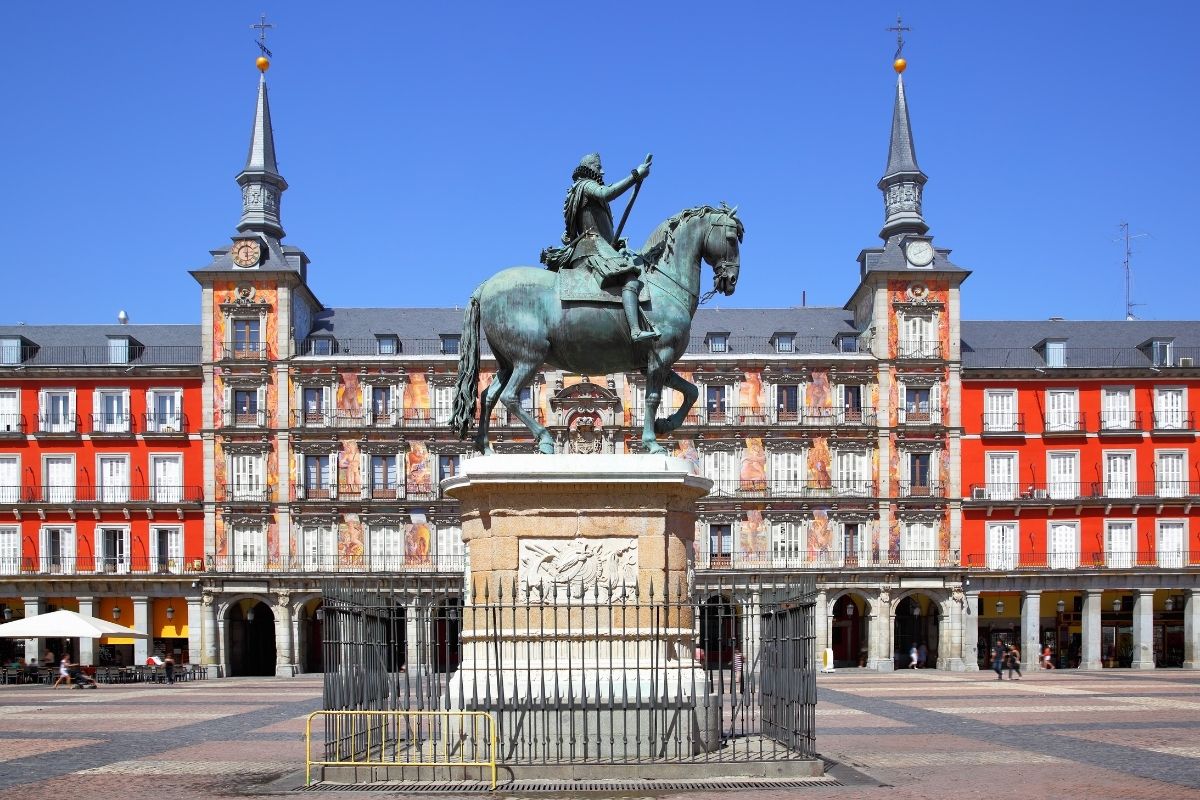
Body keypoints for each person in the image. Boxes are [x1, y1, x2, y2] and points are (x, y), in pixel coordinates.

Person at [541, 152, 659, 343]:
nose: (602, 172)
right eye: (598, 168)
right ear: (590, 169)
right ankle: (636, 330)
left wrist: (614, 243)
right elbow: (607, 193)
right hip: (592, 248)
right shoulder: (586, 185)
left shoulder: (580, 190)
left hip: (598, 244)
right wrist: (635, 175)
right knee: (630, 278)